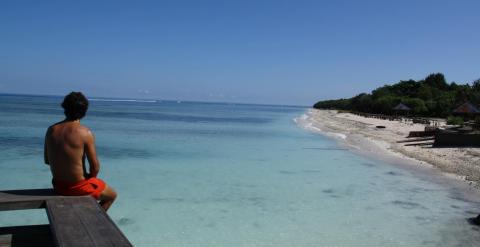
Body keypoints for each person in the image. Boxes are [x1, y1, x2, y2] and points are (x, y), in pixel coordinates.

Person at [44, 92, 117, 211]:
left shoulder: (51, 130)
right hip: (77, 188)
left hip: (57, 185)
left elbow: (47, 161)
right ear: (84, 111)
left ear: (64, 108)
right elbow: (95, 167)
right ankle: (93, 219)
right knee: (112, 195)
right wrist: (90, 179)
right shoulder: (85, 133)